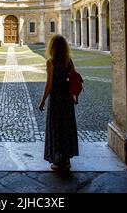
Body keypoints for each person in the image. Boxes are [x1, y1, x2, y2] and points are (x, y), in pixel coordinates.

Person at [39, 34, 79, 171]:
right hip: (67, 98)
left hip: (56, 98)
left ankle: (57, 161)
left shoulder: (51, 62)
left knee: (56, 128)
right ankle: (66, 161)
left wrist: (43, 100)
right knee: (66, 127)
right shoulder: (69, 60)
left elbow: (49, 84)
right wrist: (74, 96)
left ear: (52, 47)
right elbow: (73, 78)